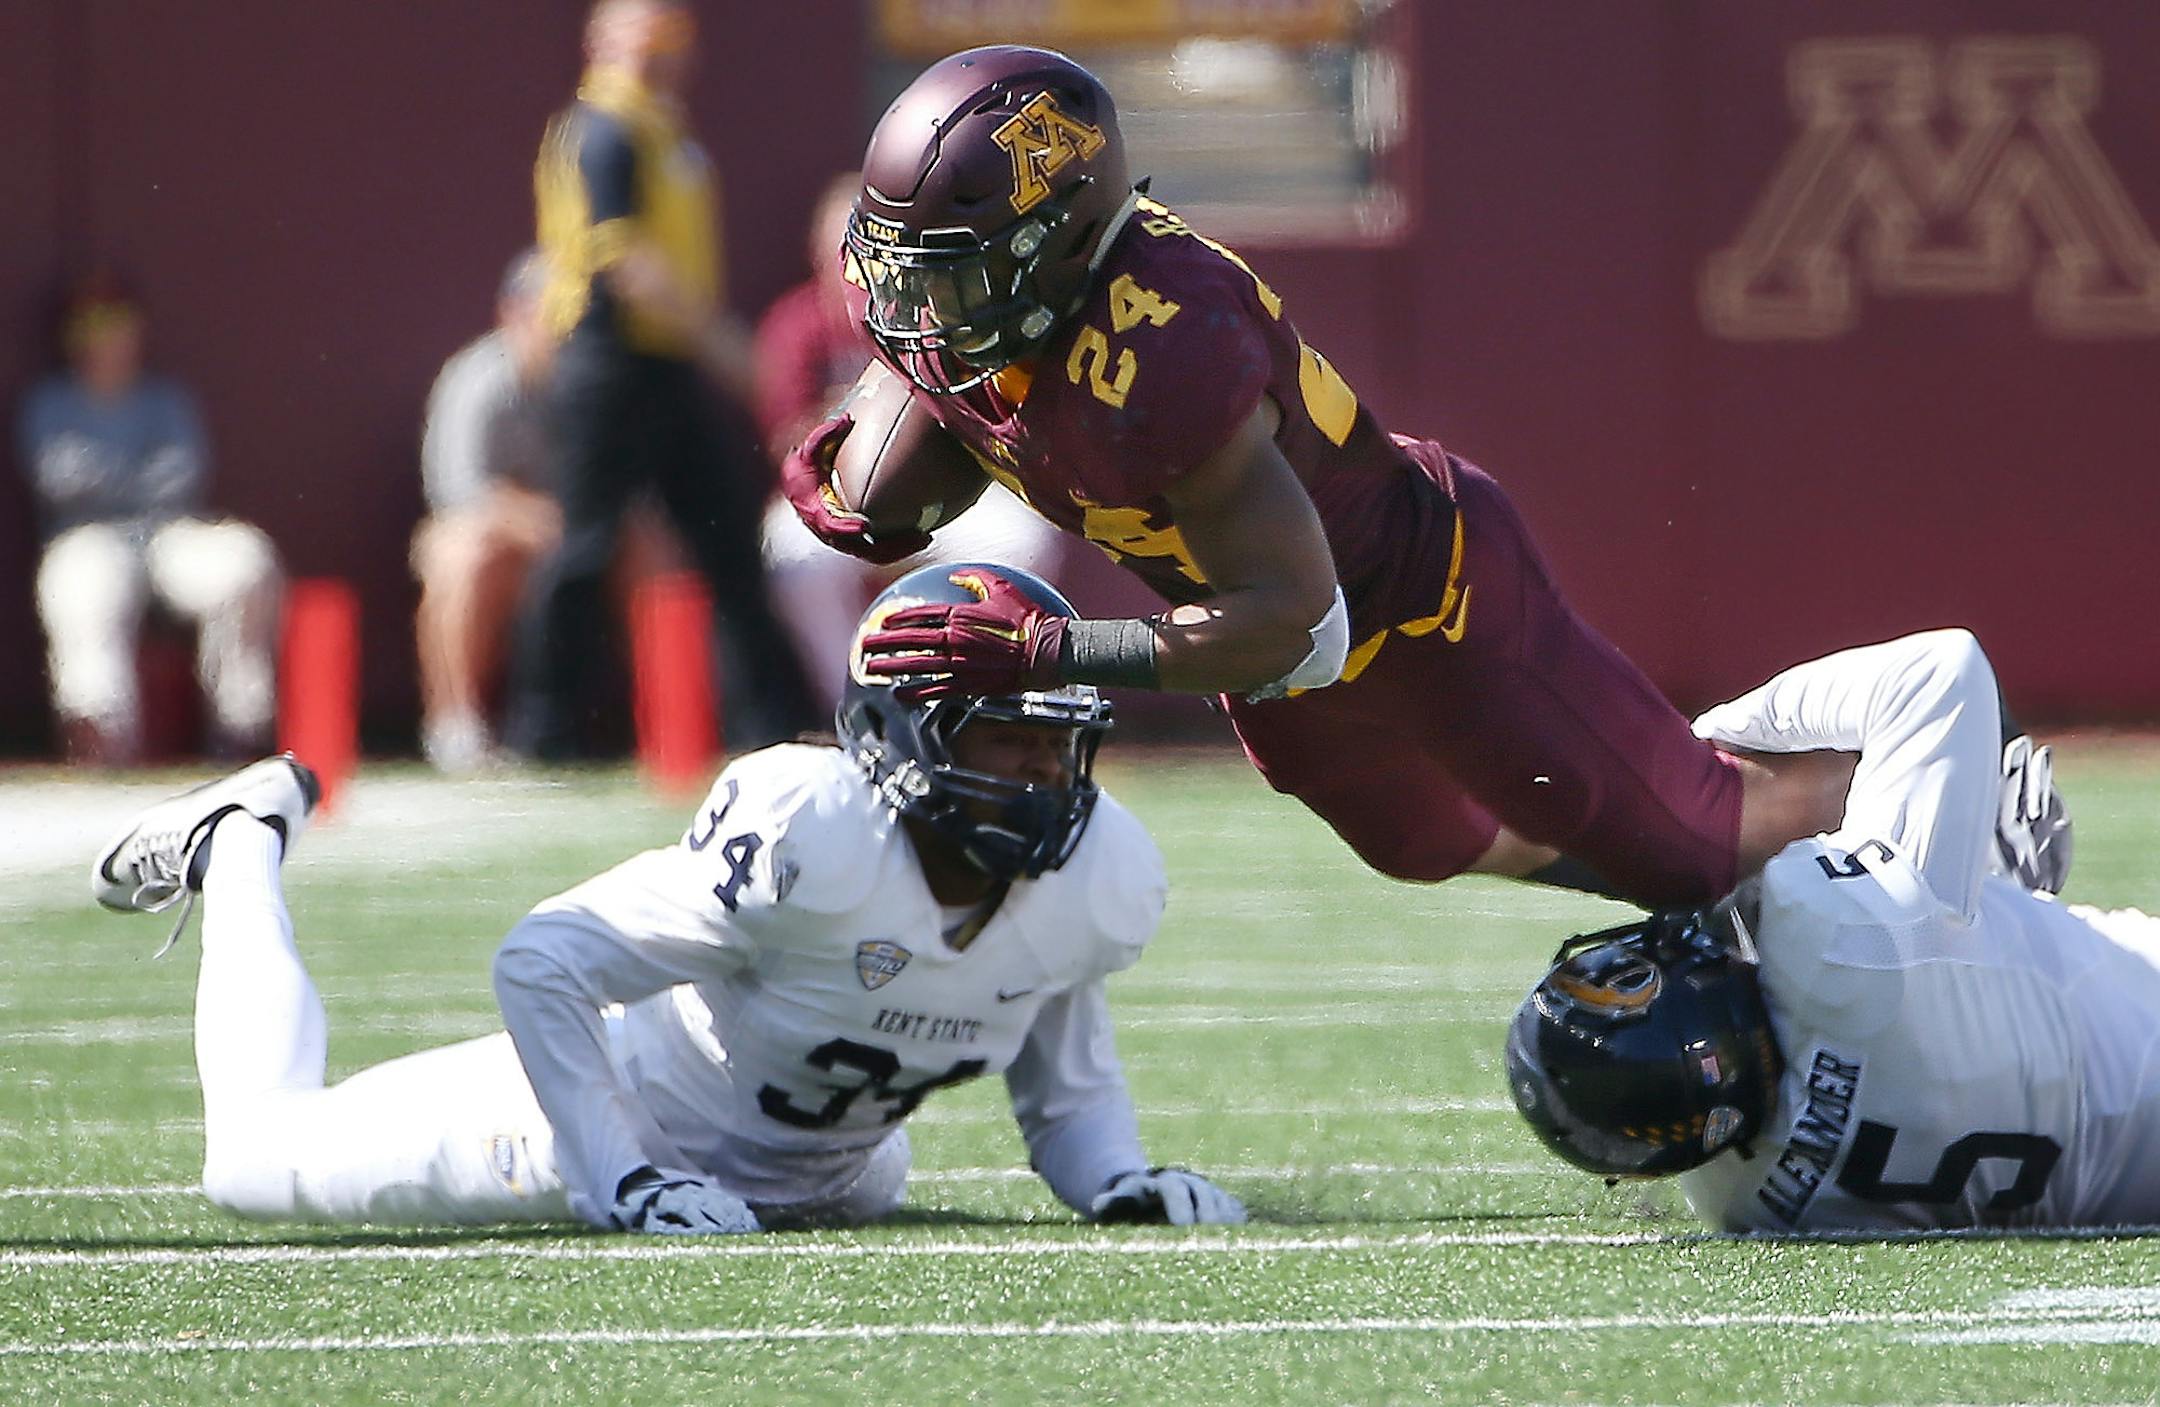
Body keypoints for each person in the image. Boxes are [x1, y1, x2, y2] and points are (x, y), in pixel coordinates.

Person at [783, 46, 1851, 912]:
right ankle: (1690, 846)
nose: (917, 312)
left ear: (1057, 249)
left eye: (955, 275)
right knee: (1423, 844)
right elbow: (913, 460)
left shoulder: (1163, 347)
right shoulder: (994, 323)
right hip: (1268, 635)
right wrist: (848, 488)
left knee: (1688, 844)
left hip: (1419, 595)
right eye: (902, 267)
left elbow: (1299, 620)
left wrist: (1051, 650)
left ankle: (1928, 806)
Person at [88, 564, 1246, 1234]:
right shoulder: (817, 834)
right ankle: (239, 837)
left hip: (831, 1174)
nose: (1044, 781)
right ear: (901, 742)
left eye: (1057, 747)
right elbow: (545, 959)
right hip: (593, 1125)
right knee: (248, 1161)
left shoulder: (1093, 874)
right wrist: (630, 1175)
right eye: (1003, 744)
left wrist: (1116, 1182)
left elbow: (1065, 1076)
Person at [1502, 629, 2157, 1233]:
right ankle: (1990, 870)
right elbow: (1944, 669)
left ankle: (1990, 881)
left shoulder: (1742, 1202)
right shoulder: (1834, 947)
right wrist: (1693, 759)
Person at [511, 0, 815, 760]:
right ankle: (542, 730)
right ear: (597, 44)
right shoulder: (604, 128)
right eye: (637, 38)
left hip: (667, 364)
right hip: (611, 357)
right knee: (585, 546)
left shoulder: (664, 128)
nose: (654, 54)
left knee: (728, 542)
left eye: (667, 39)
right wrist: (731, 350)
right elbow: (626, 261)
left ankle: (766, 727)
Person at [755, 171, 1065, 711]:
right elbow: (789, 437)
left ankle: (979, 702)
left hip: (949, 491)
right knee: (795, 553)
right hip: (839, 500)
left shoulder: (940, 311)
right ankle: (852, 704)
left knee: (1021, 542)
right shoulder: (797, 324)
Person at [411, 249, 683, 772]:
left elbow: (633, 493)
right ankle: (456, 728)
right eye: (555, 313)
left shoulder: (601, 380)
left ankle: (671, 719)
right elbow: (460, 495)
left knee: (653, 547)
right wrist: (554, 525)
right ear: (514, 313)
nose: (567, 329)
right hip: (508, 548)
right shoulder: (477, 380)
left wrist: (578, 529)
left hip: (586, 539)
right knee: (460, 555)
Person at [17, 274, 282, 765]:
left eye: (117, 321)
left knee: (245, 562)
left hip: (168, 535)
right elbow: (57, 479)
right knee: (80, 581)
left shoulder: (165, 399)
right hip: (88, 538)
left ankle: (240, 732)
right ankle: (101, 737)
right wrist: (133, 477)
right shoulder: (50, 403)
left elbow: (183, 475)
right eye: (91, 323)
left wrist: (104, 477)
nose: (106, 334)